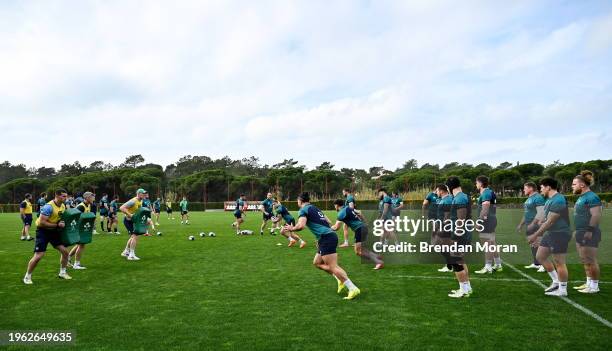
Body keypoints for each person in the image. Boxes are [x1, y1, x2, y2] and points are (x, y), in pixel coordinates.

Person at [282, 192, 360, 300]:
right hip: (326, 236)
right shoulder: (314, 208)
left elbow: (301, 226)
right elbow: (327, 221)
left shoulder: (303, 210)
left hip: (326, 237)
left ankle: (352, 288)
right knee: (317, 263)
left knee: (333, 266)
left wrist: (292, 228)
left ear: (300, 200)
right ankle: (339, 279)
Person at [527, 177, 571, 296]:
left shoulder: (558, 199)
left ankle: (562, 290)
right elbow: (547, 219)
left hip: (560, 233)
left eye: (541, 187)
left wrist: (535, 235)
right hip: (551, 233)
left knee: (559, 262)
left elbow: (550, 222)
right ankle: (556, 281)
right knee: (540, 256)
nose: (540, 189)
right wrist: (541, 223)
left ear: (548, 187)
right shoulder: (549, 200)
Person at [23, 189, 72, 284]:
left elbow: (60, 218)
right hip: (43, 232)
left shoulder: (62, 205)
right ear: (57, 196)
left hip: (54, 231)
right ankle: (27, 276)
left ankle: (62, 272)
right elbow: (42, 223)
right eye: (63, 196)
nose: (66, 198)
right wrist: (57, 225)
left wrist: (62, 223)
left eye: (66, 196)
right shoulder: (48, 207)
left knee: (65, 252)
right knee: (39, 256)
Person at [571, 171, 602, 294]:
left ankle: (594, 286)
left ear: (582, 185)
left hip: (589, 232)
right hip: (580, 231)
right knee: (584, 259)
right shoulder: (582, 197)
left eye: (574, 184)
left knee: (590, 259)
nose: (572, 186)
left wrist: (589, 231)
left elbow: (596, 215)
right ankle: (588, 283)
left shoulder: (592, 197)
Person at [331, 199, 383, 269]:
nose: (335, 208)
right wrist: (365, 223)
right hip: (363, 227)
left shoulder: (341, 213)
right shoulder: (349, 208)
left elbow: (336, 227)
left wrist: (330, 228)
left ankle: (378, 262)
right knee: (361, 248)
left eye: (335, 206)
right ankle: (376, 256)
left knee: (358, 251)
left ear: (336, 205)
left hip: (359, 229)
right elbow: (360, 213)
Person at [446, 177, 473, 298]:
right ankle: (467, 288)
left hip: (460, 234)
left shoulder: (460, 197)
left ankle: (463, 290)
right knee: (460, 260)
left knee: (456, 261)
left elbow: (461, 220)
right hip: (461, 233)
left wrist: (456, 236)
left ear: (450, 187)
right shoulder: (460, 197)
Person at [474, 176, 502, 274]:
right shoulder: (489, 192)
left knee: (487, 245)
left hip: (487, 221)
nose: (476, 184)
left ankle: (488, 267)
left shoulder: (485, 193)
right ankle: (498, 264)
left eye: (476, 183)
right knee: (492, 243)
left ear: (481, 184)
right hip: (491, 219)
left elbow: (485, 209)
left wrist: (479, 222)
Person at [516, 182, 546, 272]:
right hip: (529, 224)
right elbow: (527, 213)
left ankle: (544, 265)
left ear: (531, 188)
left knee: (539, 244)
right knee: (533, 244)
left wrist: (533, 224)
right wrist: (521, 224)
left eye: (525, 188)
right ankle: (536, 263)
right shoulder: (529, 198)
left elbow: (541, 212)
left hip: (536, 225)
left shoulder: (538, 197)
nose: (523, 190)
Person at [68, 192, 95, 270]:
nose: (93, 199)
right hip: (79, 228)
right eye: (92, 197)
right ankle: (77, 264)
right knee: (81, 245)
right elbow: (75, 217)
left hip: (83, 228)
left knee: (79, 245)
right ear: (87, 198)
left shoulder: (88, 205)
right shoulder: (81, 207)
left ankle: (68, 258)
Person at [120, 188, 147, 260]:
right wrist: (130, 215)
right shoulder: (133, 201)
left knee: (133, 236)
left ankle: (126, 251)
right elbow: (122, 208)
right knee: (135, 236)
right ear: (138, 194)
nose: (144, 195)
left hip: (133, 221)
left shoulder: (140, 201)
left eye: (145, 193)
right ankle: (131, 255)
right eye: (143, 193)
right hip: (128, 221)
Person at [434, 184, 454, 273]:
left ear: (441, 191)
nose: (436, 192)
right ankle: (450, 264)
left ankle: (450, 265)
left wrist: (442, 227)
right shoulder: (445, 199)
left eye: (437, 190)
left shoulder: (448, 199)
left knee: (443, 245)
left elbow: (447, 215)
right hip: (444, 225)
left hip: (446, 227)